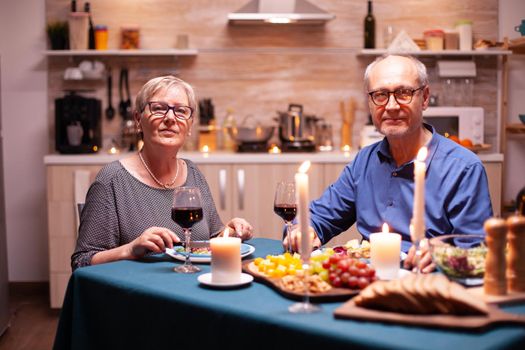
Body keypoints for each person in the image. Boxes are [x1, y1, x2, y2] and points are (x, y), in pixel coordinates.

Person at [284, 54, 493, 273]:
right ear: (370, 103)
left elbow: (479, 253)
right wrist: (304, 230)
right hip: (364, 283)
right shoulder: (364, 162)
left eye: (404, 93)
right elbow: (319, 216)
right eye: (381, 95)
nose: (391, 106)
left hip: (428, 288)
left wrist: (443, 255)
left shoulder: (463, 168)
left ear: (425, 98)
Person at [72, 75, 253, 270]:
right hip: (138, 295)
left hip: (196, 287)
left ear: (190, 125)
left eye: (181, 111)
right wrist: (130, 249)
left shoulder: (193, 173)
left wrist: (230, 232)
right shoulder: (111, 180)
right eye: (158, 108)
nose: (170, 118)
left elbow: (209, 240)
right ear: (138, 120)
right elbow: (82, 262)